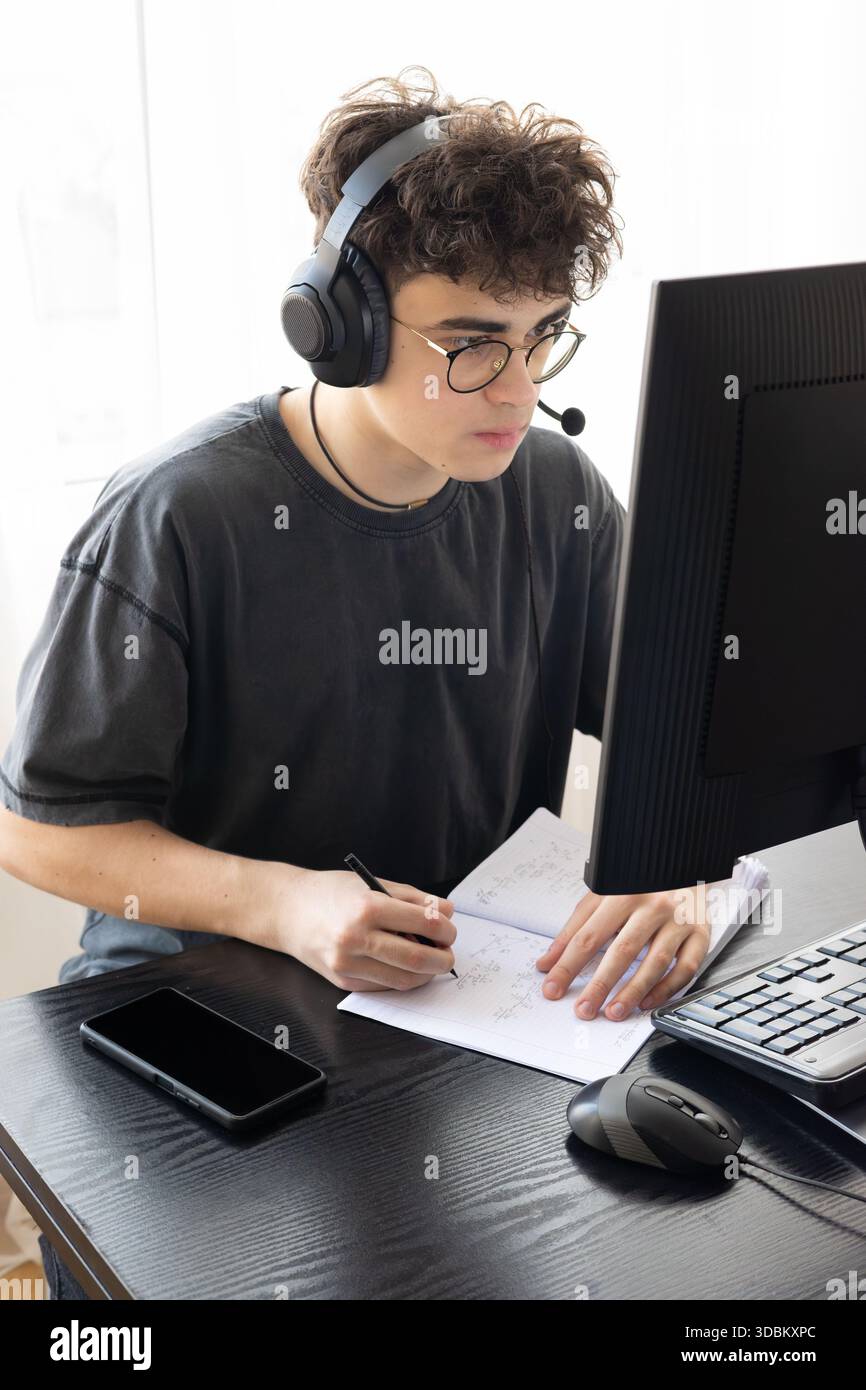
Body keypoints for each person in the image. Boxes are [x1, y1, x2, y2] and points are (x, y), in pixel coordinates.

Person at [0, 68, 712, 1299]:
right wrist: (283, 903)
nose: (520, 391)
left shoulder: (555, 497)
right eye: (472, 346)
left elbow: (681, 728)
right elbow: (40, 827)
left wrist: (684, 873)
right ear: (341, 323)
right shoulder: (177, 516)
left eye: (541, 335)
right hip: (196, 1030)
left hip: (454, 1019)